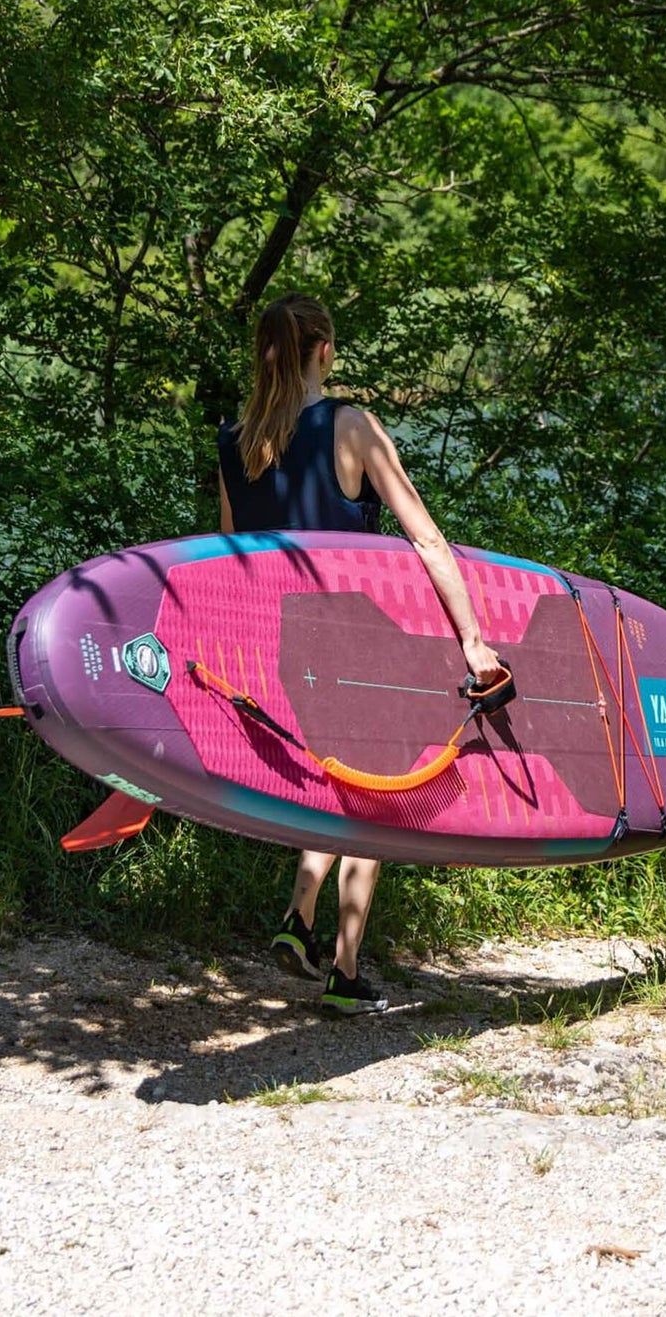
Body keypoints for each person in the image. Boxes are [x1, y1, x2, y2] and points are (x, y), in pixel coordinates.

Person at [218, 292, 503, 1016]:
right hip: (354, 644)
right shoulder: (350, 426)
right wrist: (472, 640)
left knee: (333, 788)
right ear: (324, 350)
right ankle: (344, 972)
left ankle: (297, 921)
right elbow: (425, 537)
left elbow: (229, 562)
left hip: (278, 650)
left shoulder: (235, 441)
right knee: (375, 800)